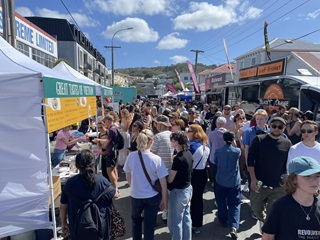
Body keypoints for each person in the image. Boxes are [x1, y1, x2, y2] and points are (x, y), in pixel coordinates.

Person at [60, 150, 118, 240]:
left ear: (77, 165)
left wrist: (63, 223)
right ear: (93, 164)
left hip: (77, 227)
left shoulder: (70, 183)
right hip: (100, 226)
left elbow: (63, 206)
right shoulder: (102, 181)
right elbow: (115, 195)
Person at [247, 117, 292, 233]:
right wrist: (253, 179)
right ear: (269, 126)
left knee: (273, 213)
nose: (277, 128)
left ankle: (267, 231)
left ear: (283, 129)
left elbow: (288, 165)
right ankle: (264, 221)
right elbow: (250, 160)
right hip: (259, 184)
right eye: (274, 126)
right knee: (256, 209)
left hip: (278, 187)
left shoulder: (287, 143)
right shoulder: (259, 139)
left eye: (280, 127)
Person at [124, 129, 168, 240]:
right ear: (151, 141)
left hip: (136, 195)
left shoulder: (131, 156)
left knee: (136, 223)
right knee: (149, 226)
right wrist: (164, 199)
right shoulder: (156, 159)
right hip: (152, 196)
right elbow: (163, 184)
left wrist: (133, 186)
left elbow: (128, 176)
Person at [262, 156, 320, 239]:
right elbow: (268, 237)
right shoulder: (280, 206)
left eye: (317, 176)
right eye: (307, 176)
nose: (314, 180)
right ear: (294, 179)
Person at [215, 132, 241, 239]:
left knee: (221, 201)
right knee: (234, 204)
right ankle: (234, 226)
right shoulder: (237, 151)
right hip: (234, 181)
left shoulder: (218, 151)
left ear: (224, 139)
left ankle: (223, 220)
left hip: (220, 180)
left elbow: (215, 161)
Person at [168, 131, 193, 240]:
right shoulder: (188, 153)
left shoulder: (178, 159)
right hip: (188, 189)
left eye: (172, 141)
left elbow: (171, 179)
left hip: (178, 192)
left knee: (176, 222)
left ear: (176, 142)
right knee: (186, 219)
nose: (170, 143)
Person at [187, 124, 210, 235]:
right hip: (203, 174)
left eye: (189, 131)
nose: (187, 132)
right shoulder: (206, 145)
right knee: (198, 199)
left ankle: (188, 223)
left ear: (195, 133)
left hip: (193, 174)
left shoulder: (191, 146)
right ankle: (197, 224)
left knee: (188, 199)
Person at [151, 114, 174, 221]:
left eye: (156, 123)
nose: (155, 125)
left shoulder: (158, 137)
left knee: (160, 192)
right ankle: (167, 211)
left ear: (160, 125)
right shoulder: (173, 135)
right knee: (168, 191)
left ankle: (164, 211)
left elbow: (152, 154)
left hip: (160, 169)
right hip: (172, 168)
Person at [92, 115, 119, 190]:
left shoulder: (109, 131)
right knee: (107, 170)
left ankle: (114, 187)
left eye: (101, 127)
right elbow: (99, 144)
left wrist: (99, 140)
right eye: (98, 127)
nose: (100, 129)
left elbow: (108, 142)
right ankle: (113, 186)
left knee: (110, 171)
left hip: (109, 152)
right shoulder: (101, 134)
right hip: (105, 153)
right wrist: (99, 150)